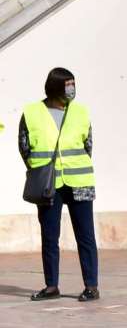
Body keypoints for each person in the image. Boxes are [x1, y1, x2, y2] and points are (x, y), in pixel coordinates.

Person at [20, 68, 99, 302]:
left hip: (80, 181)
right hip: (48, 184)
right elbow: (24, 146)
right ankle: (51, 285)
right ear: (55, 86)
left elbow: (88, 145)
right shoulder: (32, 112)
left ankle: (92, 286)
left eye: (73, 84)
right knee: (49, 235)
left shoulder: (81, 112)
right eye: (67, 85)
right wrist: (40, 169)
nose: (72, 89)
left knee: (86, 236)